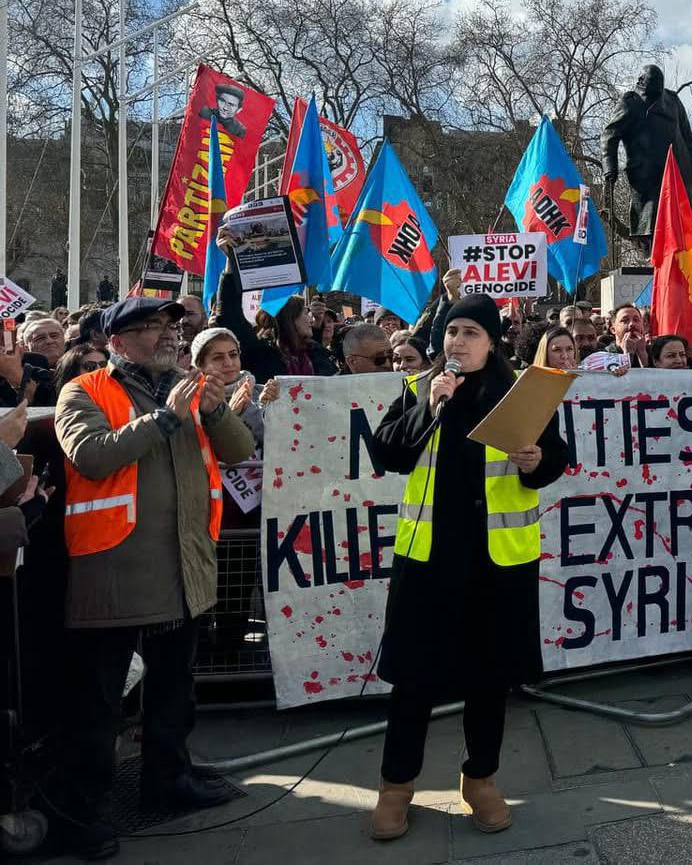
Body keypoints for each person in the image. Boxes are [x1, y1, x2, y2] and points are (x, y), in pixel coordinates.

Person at [51, 298, 256, 858]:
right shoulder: (85, 390)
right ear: (118, 342)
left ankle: (170, 779)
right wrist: (166, 415)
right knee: (98, 703)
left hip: (183, 564)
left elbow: (241, 450)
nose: (168, 333)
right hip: (115, 568)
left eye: (171, 324)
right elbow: (90, 457)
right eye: (151, 326)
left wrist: (214, 412)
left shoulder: (188, 386)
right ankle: (81, 813)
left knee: (174, 689)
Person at [367, 295, 567, 841]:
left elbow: (555, 456)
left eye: (471, 332)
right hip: (429, 559)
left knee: (490, 675)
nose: (457, 341)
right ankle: (396, 786)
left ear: (492, 340)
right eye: (452, 330)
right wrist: (430, 409)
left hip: (497, 562)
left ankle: (480, 778)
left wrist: (537, 461)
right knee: (413, 677)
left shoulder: (521, 393)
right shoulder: (418, 388)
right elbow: (387, 454)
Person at [211, 231, 337, 381]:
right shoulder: (261, 355)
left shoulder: (316, 353)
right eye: (305, 313)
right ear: (289, 319)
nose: (310, 319)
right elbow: (230, 316)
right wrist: (232, 261)